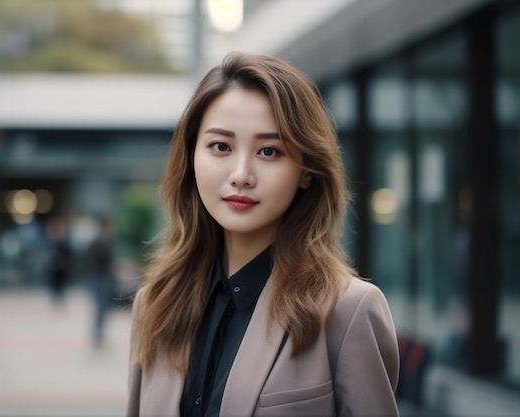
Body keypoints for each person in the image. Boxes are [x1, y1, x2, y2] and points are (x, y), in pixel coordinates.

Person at [126, 51, 399, 417]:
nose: (241, 174)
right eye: (220, 147)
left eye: (269, 151)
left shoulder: (348, 311)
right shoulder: (155, 304)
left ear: (307, 171)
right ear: (191, 158)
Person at [83, 216, 117, 348]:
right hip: (102, 277)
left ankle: (98, 334)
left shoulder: (95, 242)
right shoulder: (102, 242)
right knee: (101, 307)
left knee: (100, 307)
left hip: (96, 277)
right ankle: (98, 335)